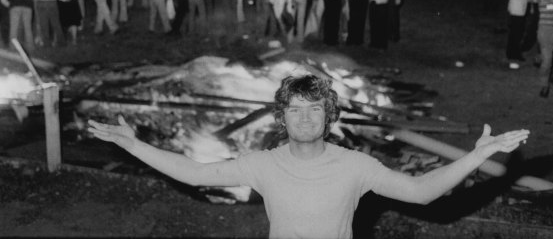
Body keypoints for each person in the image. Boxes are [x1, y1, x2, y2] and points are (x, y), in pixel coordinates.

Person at [88, 74, 529, 239]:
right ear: (282, 118)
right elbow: (193, 172)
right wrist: (132, 144)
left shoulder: (356, 165)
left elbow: (420, 193)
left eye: (313, 109)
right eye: (294, 110)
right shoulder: (262, 164)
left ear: (328, 116)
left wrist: (477, 156)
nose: (303, 119)